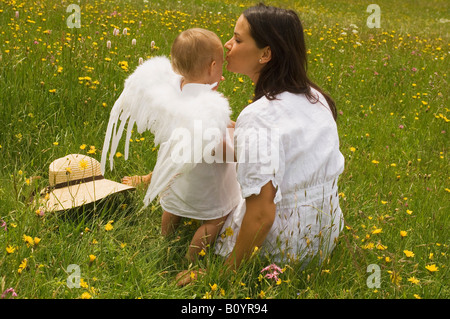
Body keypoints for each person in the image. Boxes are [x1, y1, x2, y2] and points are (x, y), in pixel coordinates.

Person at [103, 28, 243, 262]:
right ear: (211, 68)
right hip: (206, 182)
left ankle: (165, 236)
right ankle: (191, 259)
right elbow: (220, 146)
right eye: (218, 65)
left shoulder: (172, 90)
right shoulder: (210, 108)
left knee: (172, 207)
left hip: (177, 174)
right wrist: (239, 138)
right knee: (214, 221)